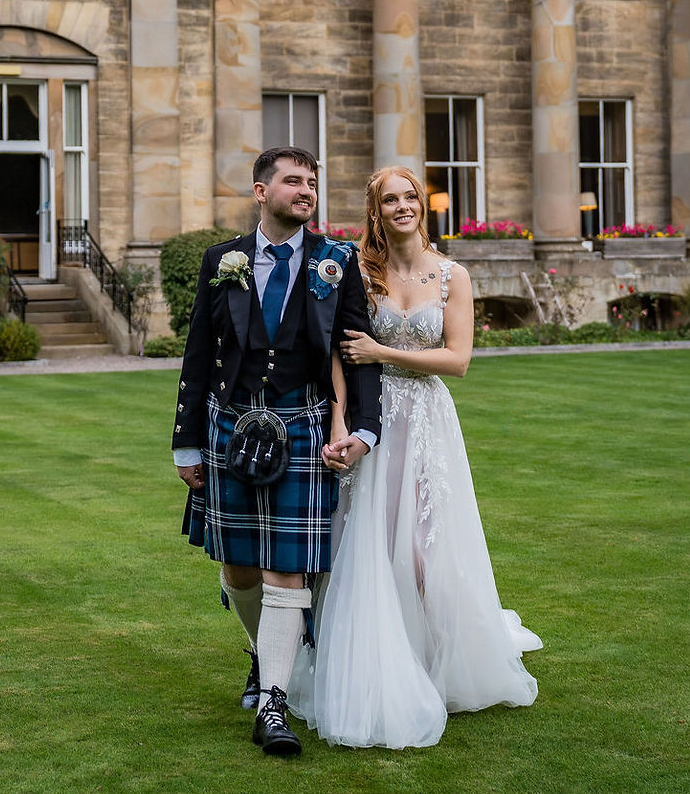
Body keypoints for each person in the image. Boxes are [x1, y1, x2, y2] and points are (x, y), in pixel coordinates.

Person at [290, 165, 542, 749]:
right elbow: (337, 355)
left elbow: (458, 360)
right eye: (389, 200)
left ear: (421, 207)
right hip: (374, 420)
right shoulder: (360, 272)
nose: (402, 206)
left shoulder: (453, 274)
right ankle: (376, 662)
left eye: (410, 197)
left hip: (427, 419)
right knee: (371, 543)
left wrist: (380, 349)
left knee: (428, 550)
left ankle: (445, 664)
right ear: (374, 212)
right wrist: (338, 422)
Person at [173, 146, 382, 757]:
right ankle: (267, 653)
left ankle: (274, 703)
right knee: (239, 567)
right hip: (231, 426)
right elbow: (196, 358)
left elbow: (356, 352)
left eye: (312, 182)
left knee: (285, 569)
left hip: (303, 426)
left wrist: (364, 431)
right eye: (293, 181)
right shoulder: (223, 260)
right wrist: (186, 443)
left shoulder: (336, 262)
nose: (306, 190)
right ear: (260, 192)